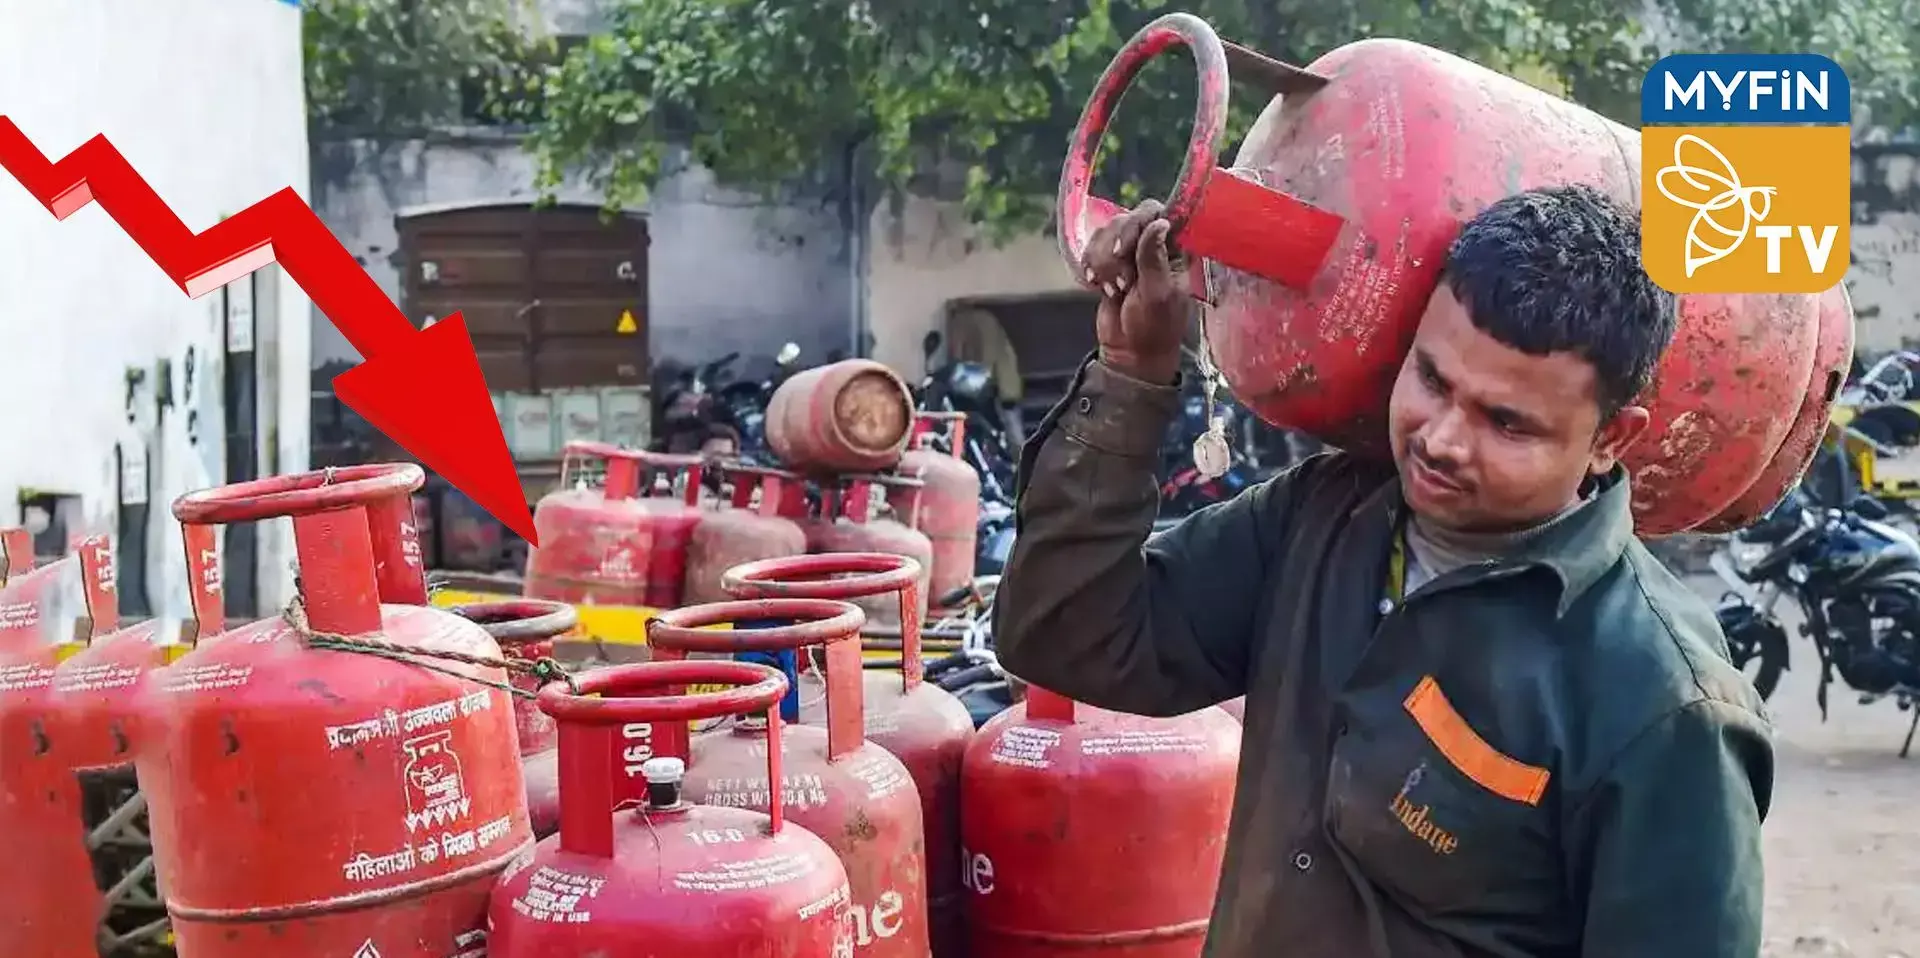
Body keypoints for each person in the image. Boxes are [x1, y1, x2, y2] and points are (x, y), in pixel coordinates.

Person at [993, 184, 1773, 958]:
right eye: (1431, 379)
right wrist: (1132, 375)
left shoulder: (1667, 711)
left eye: (1506, 422)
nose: (1440, 439)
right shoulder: (1323, 521)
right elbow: (1065, 637)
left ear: (1613, 438)